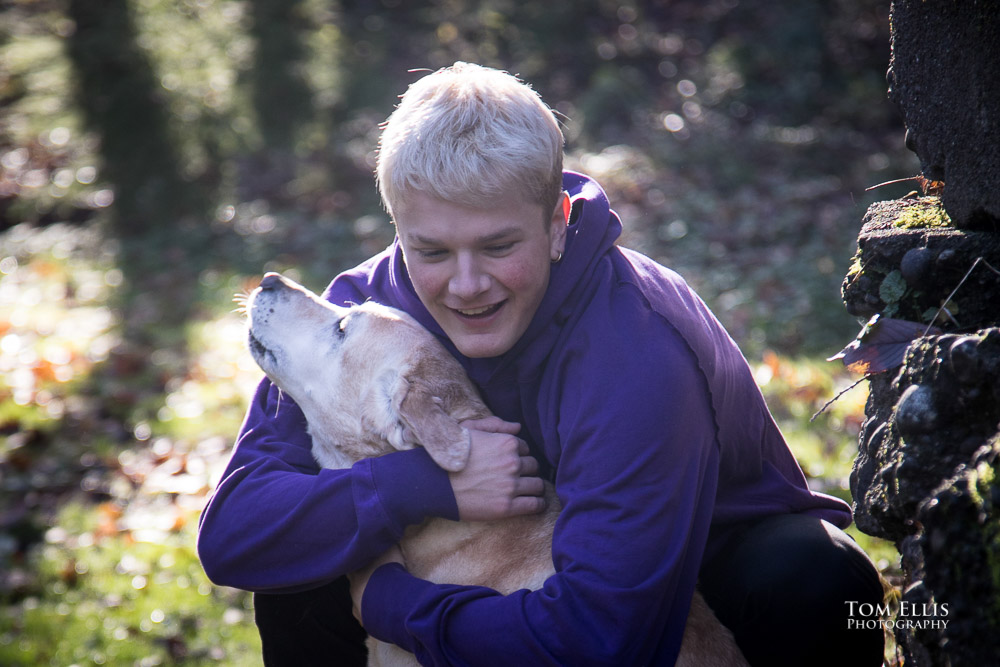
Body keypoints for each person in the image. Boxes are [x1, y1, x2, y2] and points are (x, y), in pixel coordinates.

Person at [198, 62, 885, 666]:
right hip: (499, 572)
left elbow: (605, 639)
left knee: (814, 577)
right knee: (300, 564)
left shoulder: (633, 349)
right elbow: (235, 534)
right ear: (400, 230)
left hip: (687, 572)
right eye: (431, 250)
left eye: (498, 245)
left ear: (557, 223)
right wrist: (425, 482)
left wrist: (396, 604)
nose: (466, 284)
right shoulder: (364, 317)